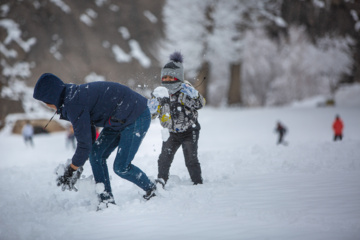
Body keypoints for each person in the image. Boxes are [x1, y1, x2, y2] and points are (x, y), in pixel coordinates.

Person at [33, 73, 157, 208]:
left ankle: (153, 189)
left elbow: (84, 144)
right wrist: (77, 165)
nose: (46, 105)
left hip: (136, 115)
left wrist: (71, 169)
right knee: (96, 154)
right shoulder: (72, 97)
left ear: (51, 98)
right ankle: (106, 200)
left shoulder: (74, 103)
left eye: (44, 102)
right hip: (118, 118)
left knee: (121, 167)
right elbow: (88, 136)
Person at [149, 52, 205, 186]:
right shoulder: (161, 92)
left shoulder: (186, 89)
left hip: (189, 130)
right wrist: (152, 108)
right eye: (165, 77)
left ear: (178, 76)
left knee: (191, 158)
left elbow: (199, 104)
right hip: (170, 132)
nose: (167, 80)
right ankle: (161, 181)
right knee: (164, 158)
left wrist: (190, 97)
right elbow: (153, 114)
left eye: (171, 77)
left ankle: (197, 182)